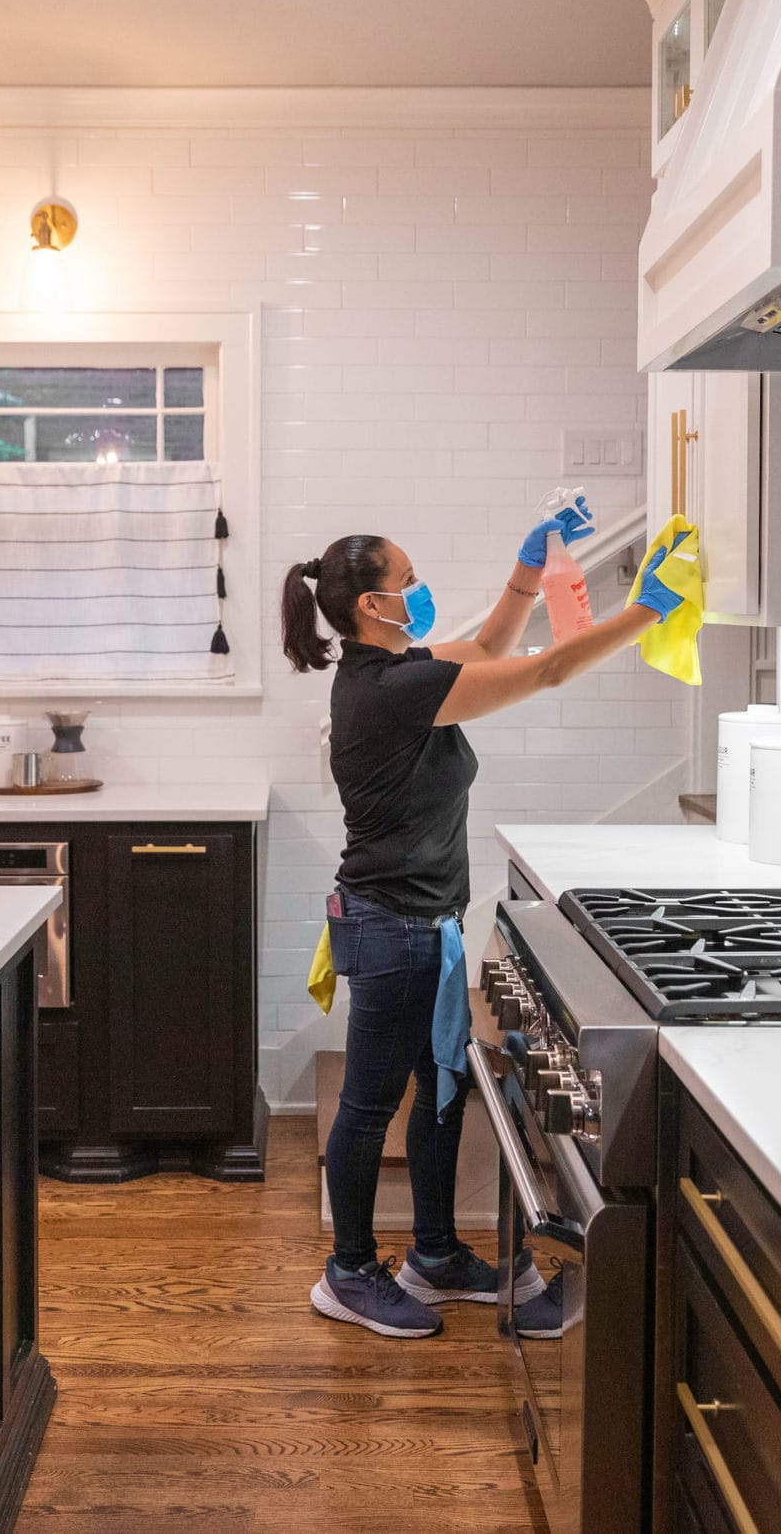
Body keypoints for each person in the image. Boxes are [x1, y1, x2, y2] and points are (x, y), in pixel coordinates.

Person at [281, 505, 684, 1338]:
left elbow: (495, 645)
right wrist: (647, 611)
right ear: (372, 605)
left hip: (426, 925)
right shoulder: (394, 691)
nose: (420, 589)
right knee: (370, 1104)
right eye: (408, 580)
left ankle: (434, 1255)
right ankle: (347, 1273)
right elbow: (545, 670)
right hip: (393, 927)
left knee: (442, 1089)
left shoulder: (398, 670)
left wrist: (528, 566)